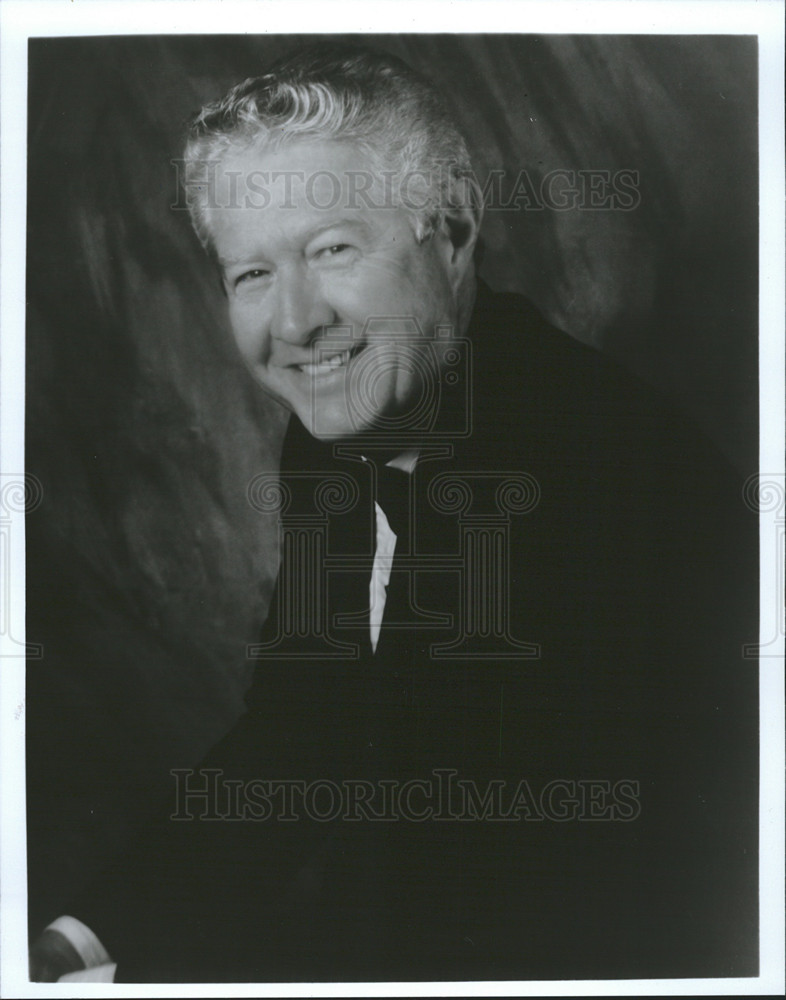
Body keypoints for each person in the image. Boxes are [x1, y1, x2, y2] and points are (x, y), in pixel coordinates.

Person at [31, 43, 758, 983]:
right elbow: (306, 727)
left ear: (451, 232)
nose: (293, 323)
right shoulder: (345, 427)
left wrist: (162, 980)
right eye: (251, 275)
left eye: (331, 249)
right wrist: (87, 937)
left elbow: (492, 899)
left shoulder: (594, 468)